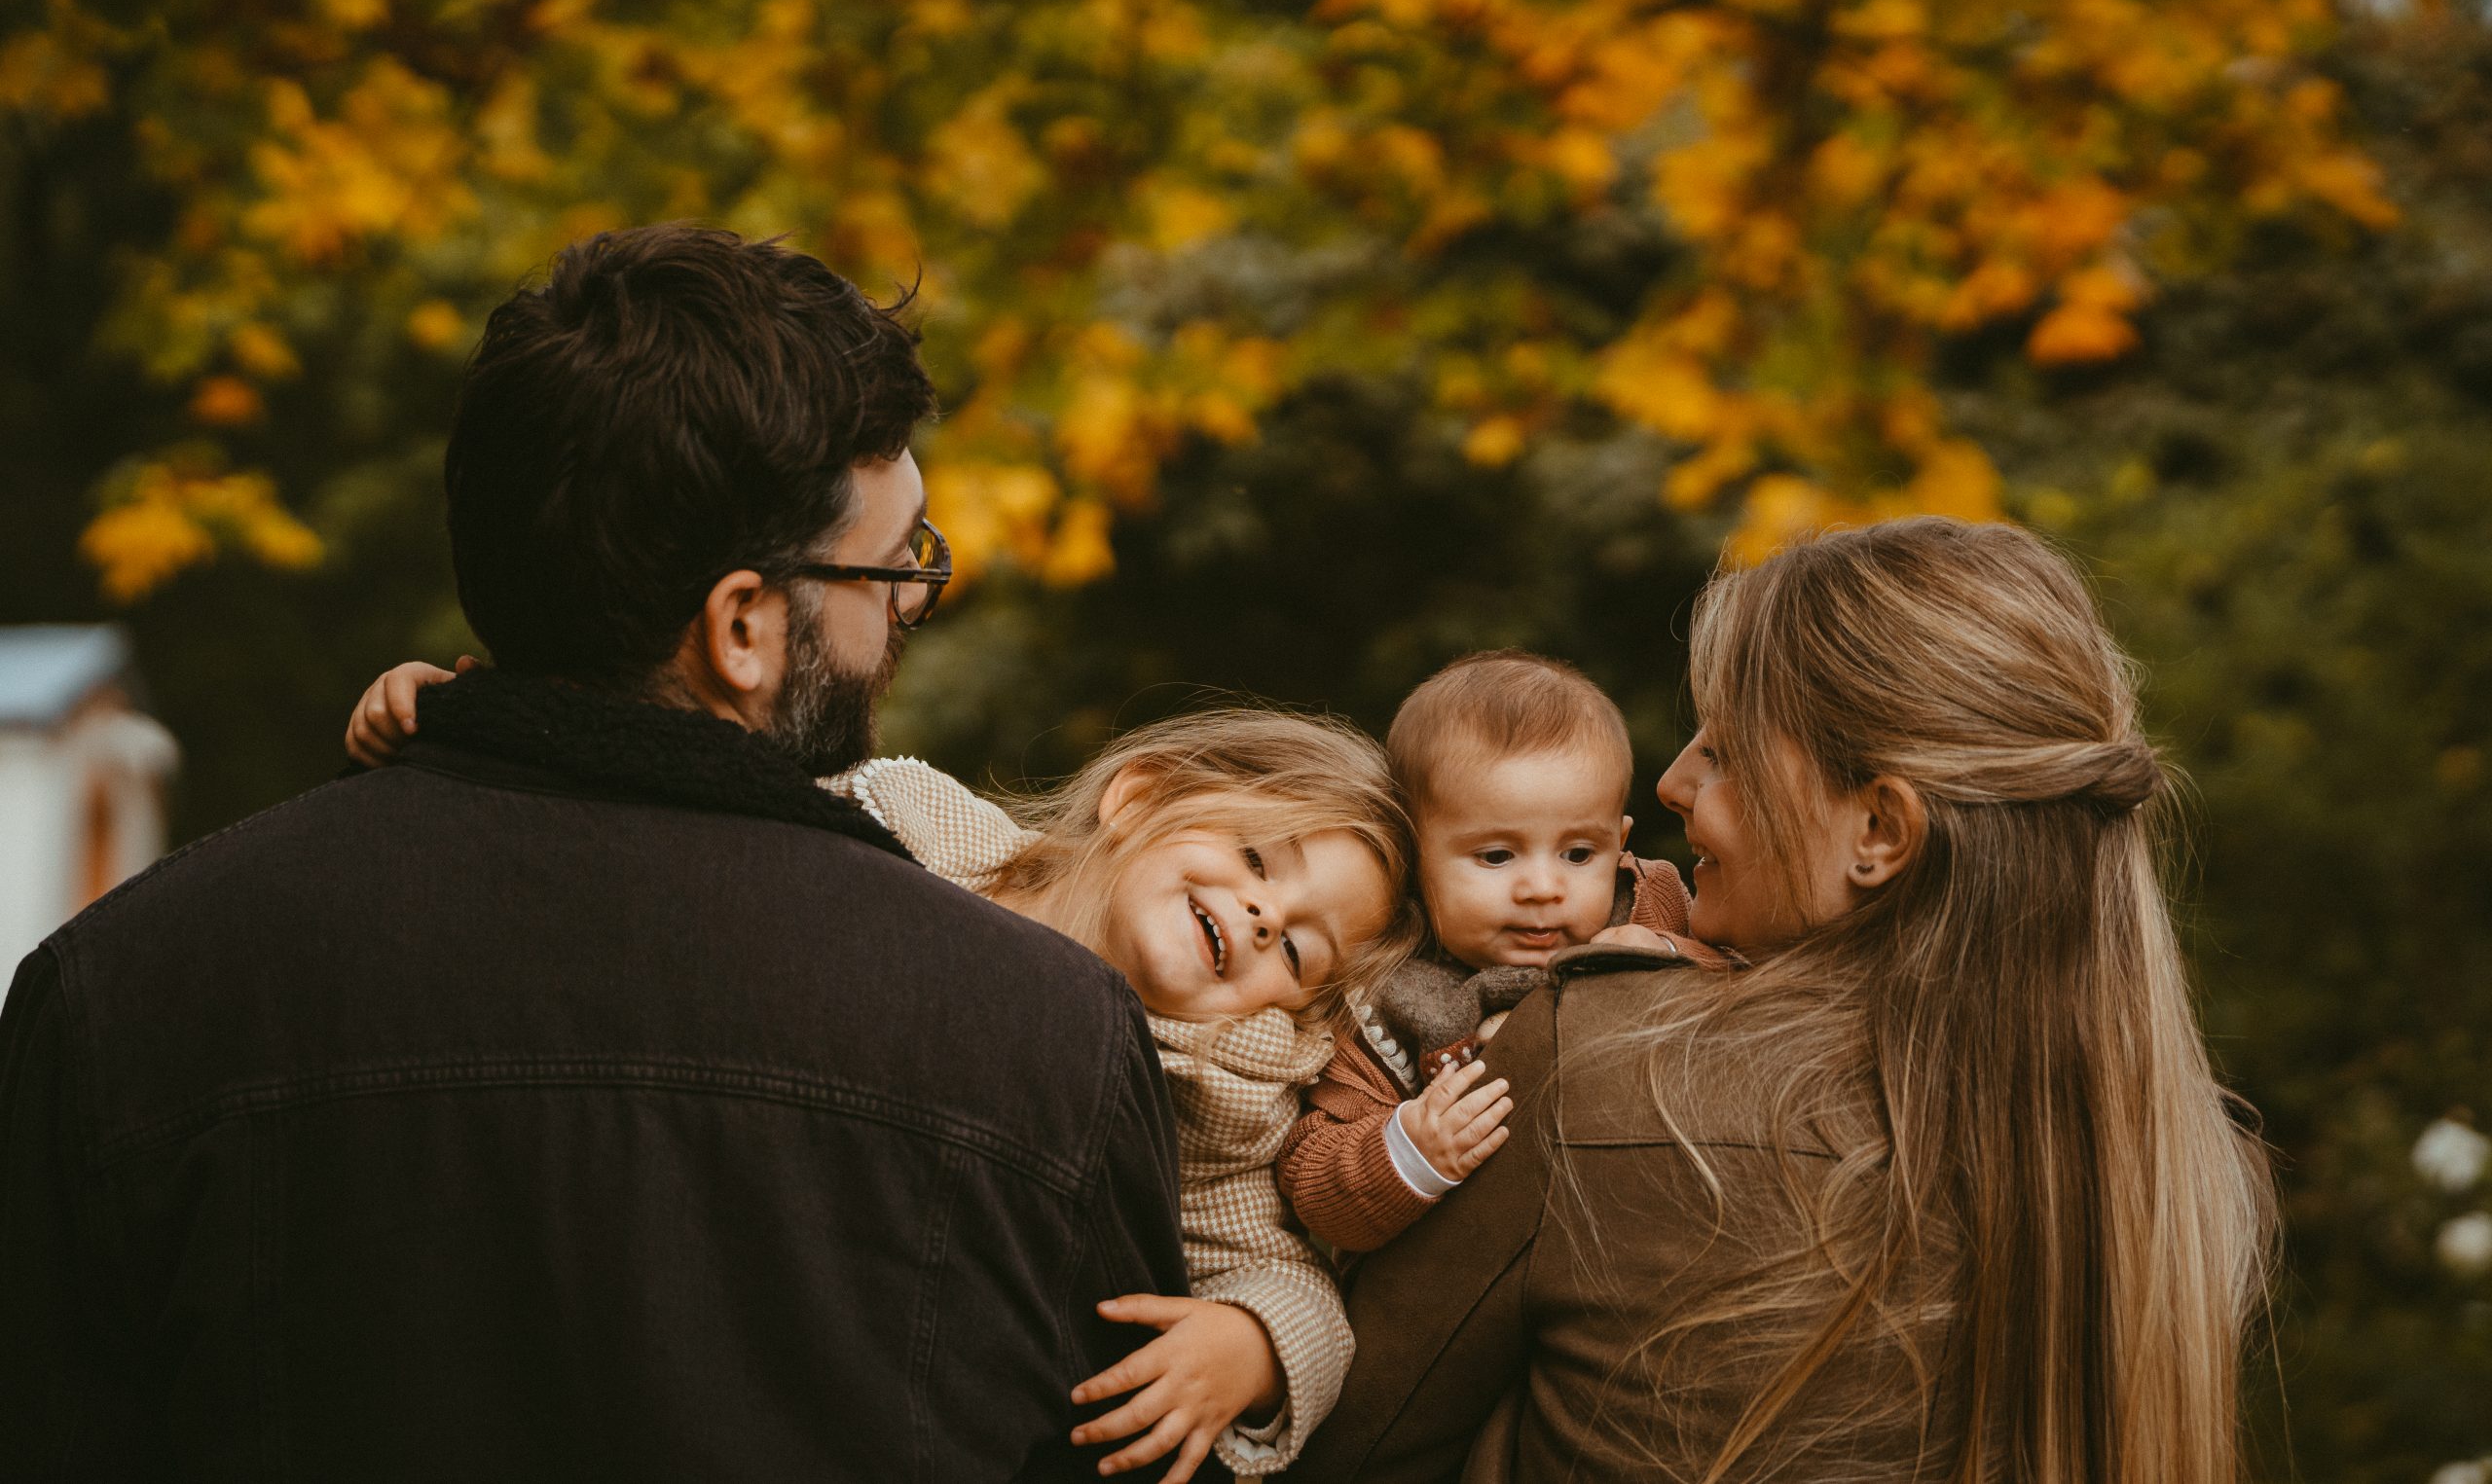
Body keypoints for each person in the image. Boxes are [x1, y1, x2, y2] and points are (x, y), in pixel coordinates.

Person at [0, 226, 1191, 1480]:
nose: (909, 603)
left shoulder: (119, 992)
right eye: (894, 566)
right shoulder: (1040, 1043)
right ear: (742, 626)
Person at [1291, 517, 2277, 1484]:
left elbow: (1348, 1447)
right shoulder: (2182, 1176)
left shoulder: (1605, 1066)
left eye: (1724, 752)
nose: (1672, 781)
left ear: (1880, 831)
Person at [348, 681, 1419, 1480]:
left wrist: (1252, 1343)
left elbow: (1293, 1280)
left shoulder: (1209, 1100)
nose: (1264, 915)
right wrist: (490, 722)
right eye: (1258, 859)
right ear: (1138, 798)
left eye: (1300, 949)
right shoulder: (910, 834)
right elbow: (689, 808)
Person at [1276, 651, 1724, 1254]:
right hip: (1479, 1261)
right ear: (1412, 855)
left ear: (1619, 843)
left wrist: (1674, 957)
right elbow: (1311, 1176)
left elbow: (1763, 983)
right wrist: (1409, 1149)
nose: (1542, 888)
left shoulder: (1652, 908)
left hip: (1650, 1227)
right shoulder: (1383, 996)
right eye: (1496, 856)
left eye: (1578, 854)